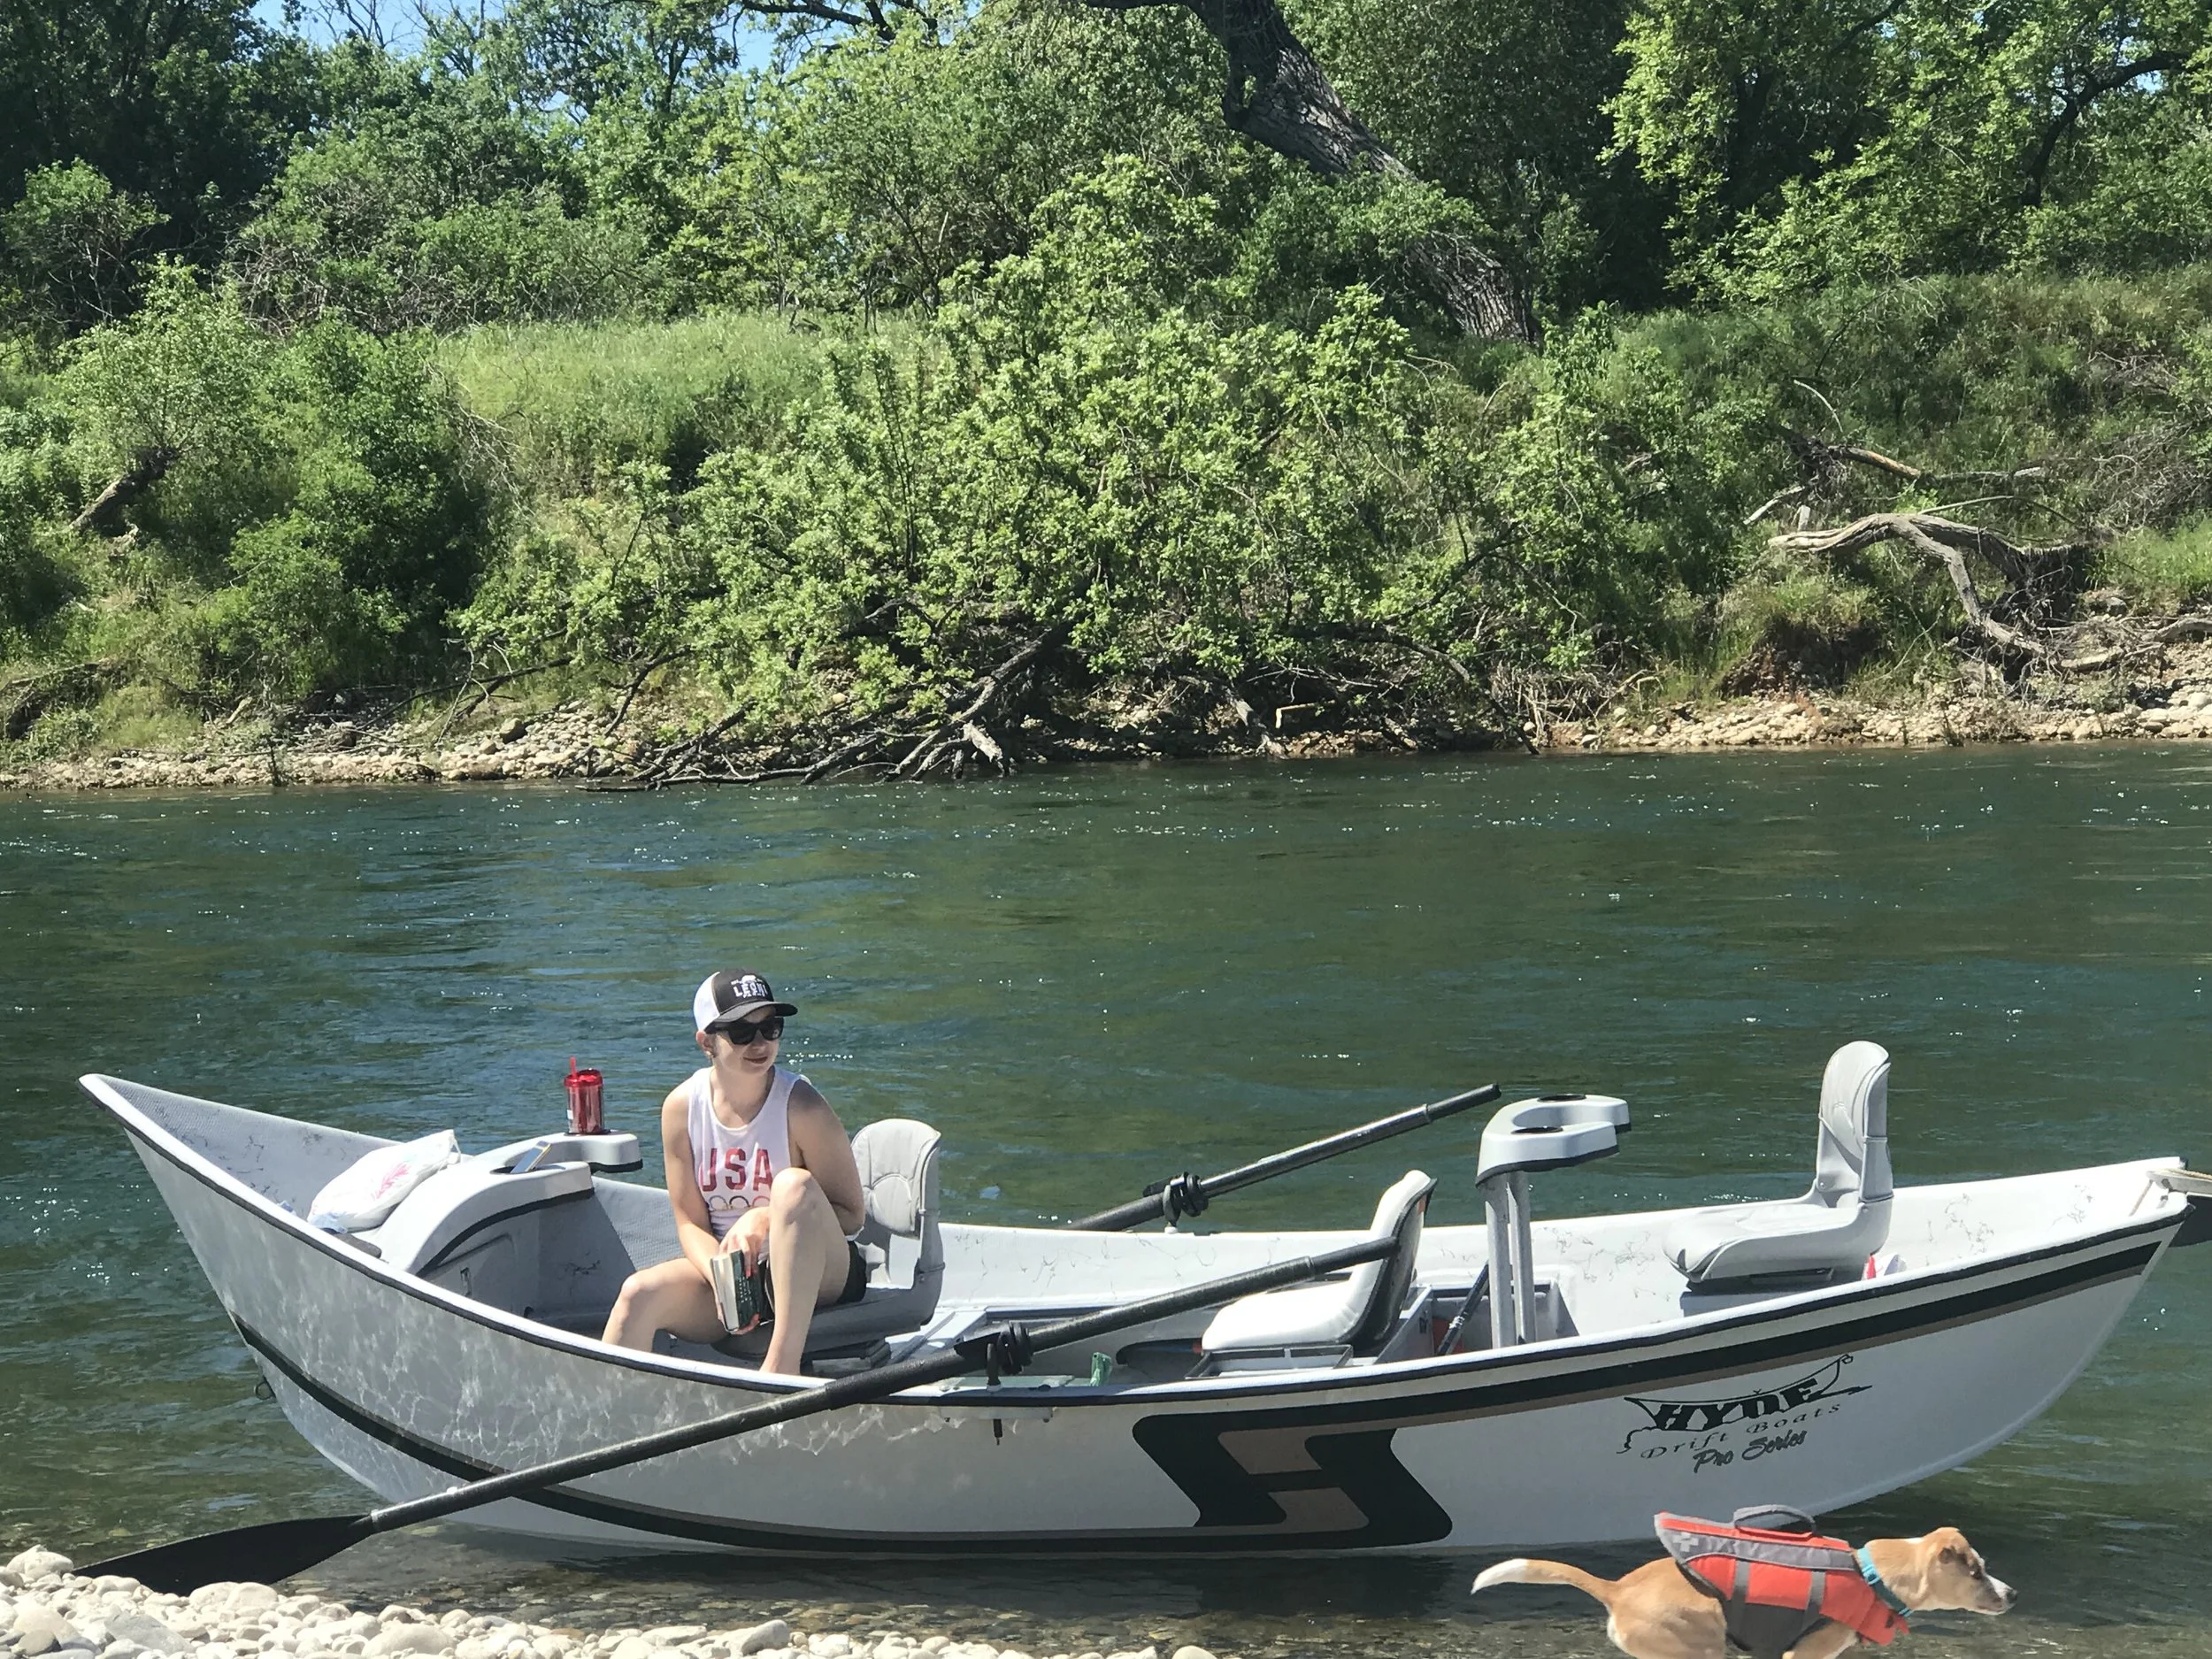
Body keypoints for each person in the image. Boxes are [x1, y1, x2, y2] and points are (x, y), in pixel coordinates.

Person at [601, 971, 868, 1373]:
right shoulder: (681, 1110)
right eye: (742, 1032)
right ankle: (610, 1421)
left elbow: (850, 1215)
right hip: (733, 1274)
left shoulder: (803, 1106)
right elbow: (690, 1222)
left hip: (818, 1268)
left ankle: (780, 1372)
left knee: (792, 1186)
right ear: (706, 1042)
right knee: (638, 1295)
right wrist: (727, 1281)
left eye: (770, 1027)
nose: (760, 1043)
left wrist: (763, 1218)